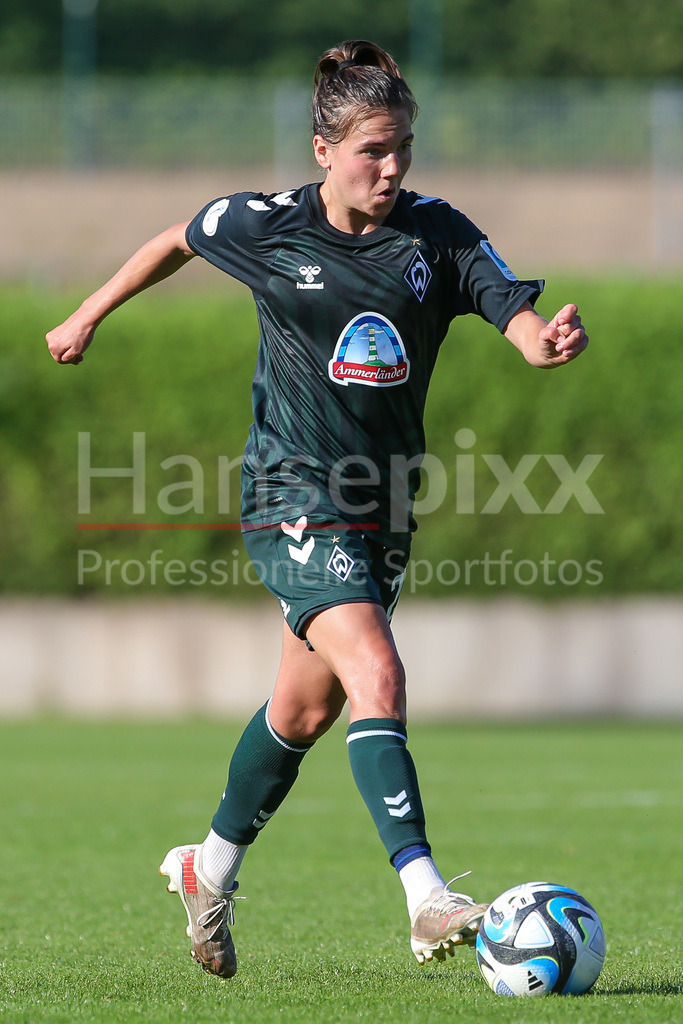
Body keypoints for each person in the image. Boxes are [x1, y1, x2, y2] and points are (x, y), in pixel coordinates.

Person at [46, 39, 588, 979]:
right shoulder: (264, 226)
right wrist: (89, 313)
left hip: (383, 509)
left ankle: (207, 872)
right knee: (377, 671)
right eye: (374, 149)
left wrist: (545, 341)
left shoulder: (438, 235)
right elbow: (177, 236)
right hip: (289, 491)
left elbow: (515, 319)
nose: (393, 166)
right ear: (323, 149)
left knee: (300, 713)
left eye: (404, 146)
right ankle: (425, 899)